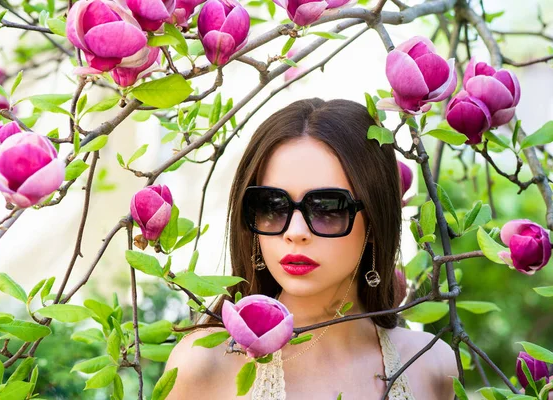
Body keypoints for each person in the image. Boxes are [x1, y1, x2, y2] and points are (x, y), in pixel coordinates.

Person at [164, 98, 458, 399]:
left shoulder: (431, 365)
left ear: (374, 220)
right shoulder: (203, 364)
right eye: (271, 205)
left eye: (328, 208)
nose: (295, 233)